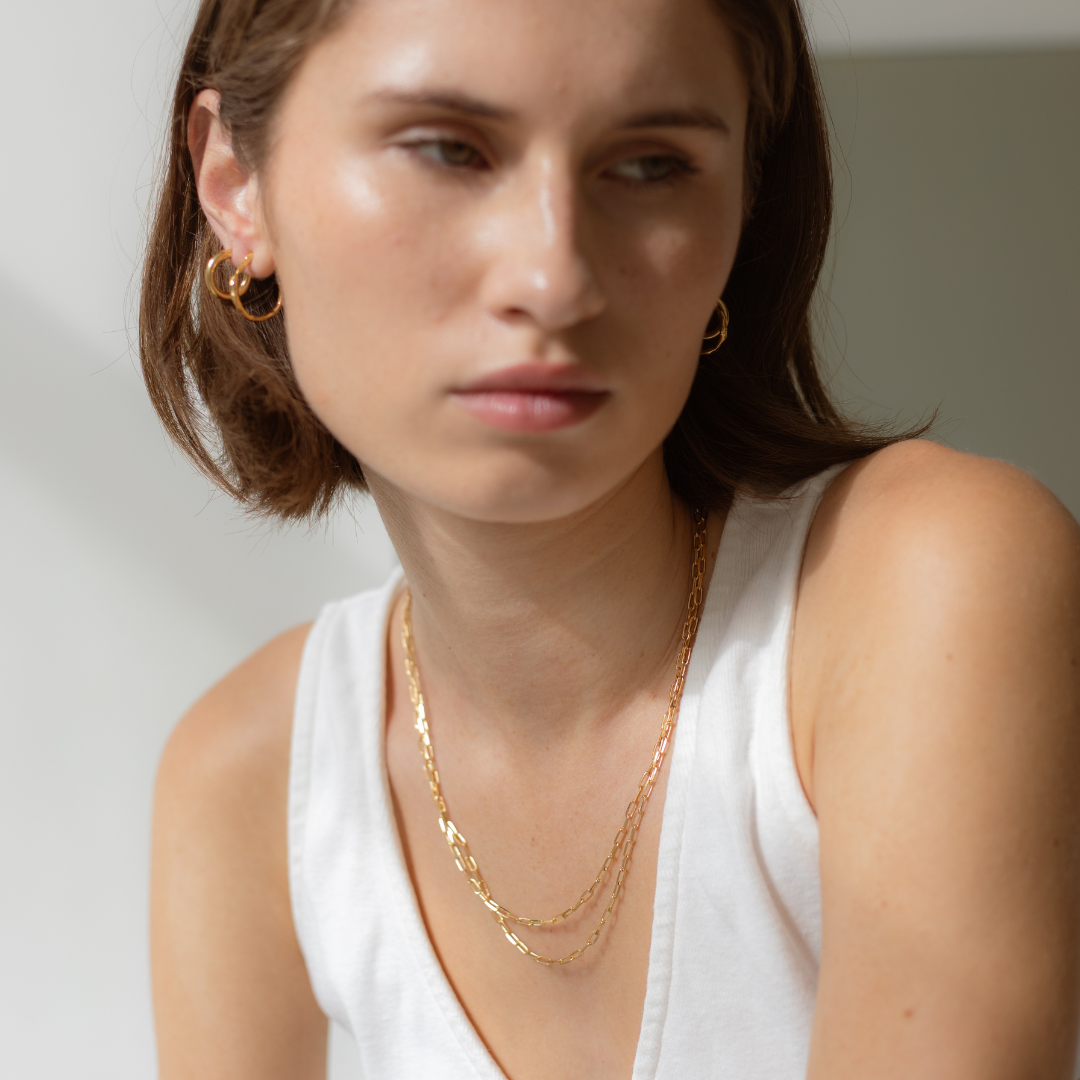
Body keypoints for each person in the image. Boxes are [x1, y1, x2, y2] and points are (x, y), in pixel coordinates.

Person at [139, 0, 1080, 1077]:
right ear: (234, 185)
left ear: (742, 207)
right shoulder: (252, 779)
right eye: (448, 150)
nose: (554, 278)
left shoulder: (925, 588)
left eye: (650, 166)